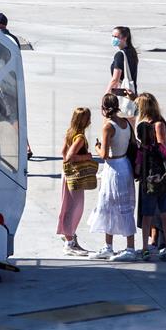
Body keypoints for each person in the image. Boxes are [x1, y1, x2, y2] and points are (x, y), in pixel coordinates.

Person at [87, 94, 137, 262]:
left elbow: (104, 155)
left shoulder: (108, 126)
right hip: (125, 165)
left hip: (114, 168)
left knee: (110, 204)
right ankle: (113, 246)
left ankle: (127, 248)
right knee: (119, 205)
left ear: (104, 108)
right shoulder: (126, 123)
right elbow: (133, 143)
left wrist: (97, 146)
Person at [134, 93, 166, 262]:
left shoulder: (141, 149)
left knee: (147, 216)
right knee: (165, 214)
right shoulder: (160, 147)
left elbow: (137, 169)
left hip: (149, 184)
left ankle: (146, 247)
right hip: (163, 183)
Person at [0, 12, 33, 160]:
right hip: (13, 82)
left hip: (0, 84)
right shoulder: (13, 39)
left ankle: (25, 147)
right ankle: (26, 147)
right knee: (14, 116)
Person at [57, 108, 94, 256]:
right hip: (75, 176)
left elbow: (63, 153)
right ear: (84, 120)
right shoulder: (79, 138)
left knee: (68, 205)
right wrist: (87, 157)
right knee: (75, 208)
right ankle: (69, 241)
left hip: (67, 174)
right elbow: (69, 156)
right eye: (88, 118)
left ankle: (69, 237)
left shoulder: (70, 132)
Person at [104, 26, 139, 101]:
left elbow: (115, 79)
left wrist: (106, 95)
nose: (113, 39)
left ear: (125, 38)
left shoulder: (120, 55)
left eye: (116, 37)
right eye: (112, 36)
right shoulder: (132, 52)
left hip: (123, 94)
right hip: (132, 93)